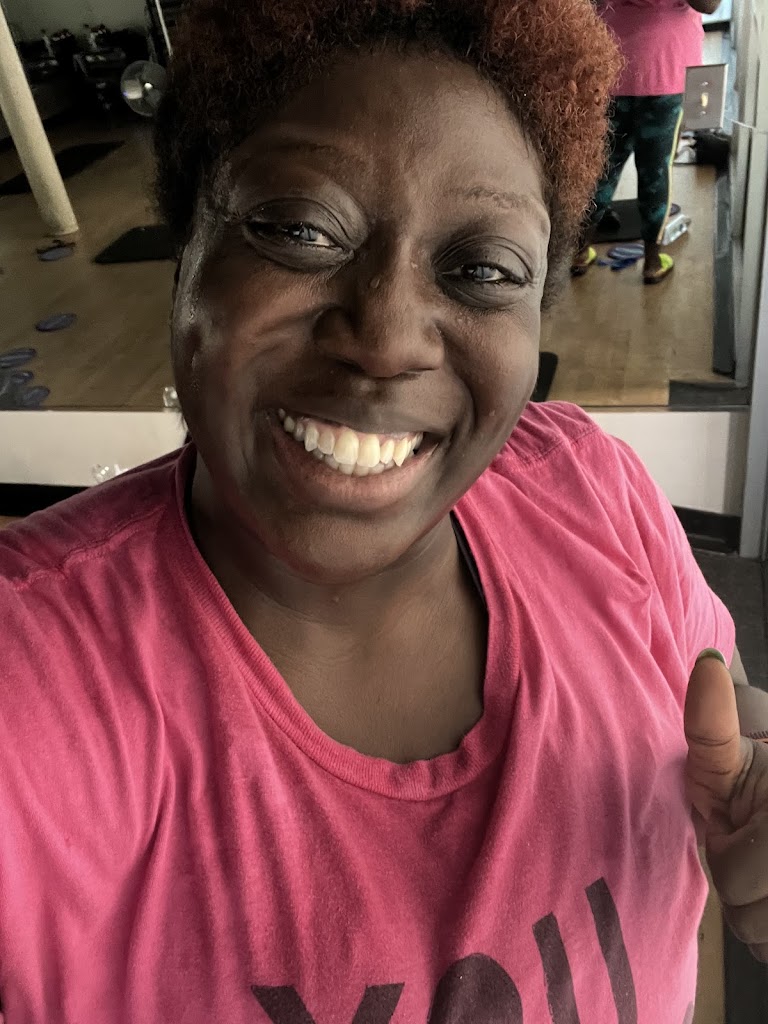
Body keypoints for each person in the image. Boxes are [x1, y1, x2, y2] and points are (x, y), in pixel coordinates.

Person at [1, 1, 767, 1021]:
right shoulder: (32, 680)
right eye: (299, 230)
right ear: (187, 249)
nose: (388, 337)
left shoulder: (594, 491)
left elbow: (716, 754)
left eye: (483, 270)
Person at [573, 0, 722, 283]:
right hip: (667, 69)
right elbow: (709, 5)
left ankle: (578, 251)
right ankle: (653, 262)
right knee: (656, 172)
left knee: (600, 167)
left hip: (611, 65)